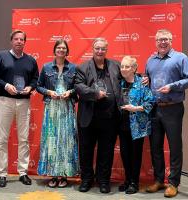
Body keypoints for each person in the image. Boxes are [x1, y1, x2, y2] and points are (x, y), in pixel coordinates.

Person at [0, 30, 39, 187]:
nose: (19, 41)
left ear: (25, 41)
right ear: (11, 41)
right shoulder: (0, 56)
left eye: (22, 39)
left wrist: (30, 87)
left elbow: (36, 79)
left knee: (23, 139)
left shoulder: (31, 60)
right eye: (16, 39)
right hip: (5, 101)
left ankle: (23, 172)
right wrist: (5, 85)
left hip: (23, 102)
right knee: (2, 139)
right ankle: (2, 174)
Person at [74, 37, 122, 193]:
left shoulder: (116, 65)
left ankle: (103, 180)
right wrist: (95, 94)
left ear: (106, 50)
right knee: (86, 150)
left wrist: (143, 79)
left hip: (110, 118)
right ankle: (86, 179)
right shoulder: (82, 67)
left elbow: (128, 77)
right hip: (88, 117)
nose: (100, 51)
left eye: (103, 49)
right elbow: (79, 87)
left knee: (106, 151)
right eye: (97, 48)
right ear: (92, 49)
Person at [145, 29, 188, 198]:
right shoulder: (150, 60)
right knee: (155, 146)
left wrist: (172, 86)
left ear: (171, 40)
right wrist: (144, 79)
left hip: (173, 108)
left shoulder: (181, 58)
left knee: (175, 147)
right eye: (159, 40)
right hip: (155, 108)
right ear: (155, 41)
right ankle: (158, 180)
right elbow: (148, 78)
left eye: (166, 39)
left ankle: (173, 183)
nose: (162, 42)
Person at [36, 39, 79, 188]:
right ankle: (53, 174)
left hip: (66, 108)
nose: (61, 50)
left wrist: (70, 92)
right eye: (58, 48)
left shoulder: (73, 68)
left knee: (66, 141)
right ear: (54, 50)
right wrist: (48, 92)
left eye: (64, 48)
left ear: (67, 51)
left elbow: (78, 87)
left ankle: (64, 175)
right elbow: (38, 86)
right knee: (52, 140)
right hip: (52, 108)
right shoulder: (46, 67)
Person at [118, 56, 154, 194]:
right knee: (125, 154)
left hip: (137, 126)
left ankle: (134, 182)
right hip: (122, 125)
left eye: (127, 66)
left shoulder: (142, 83)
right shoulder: (119, 83)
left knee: (135, 155)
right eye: (122, 66)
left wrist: (135, 108)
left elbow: (150, 103)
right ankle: (127, 180)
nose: (124, 69)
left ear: (134, 68)